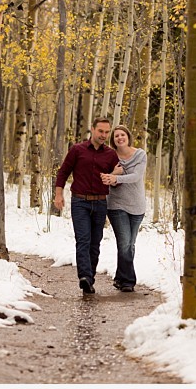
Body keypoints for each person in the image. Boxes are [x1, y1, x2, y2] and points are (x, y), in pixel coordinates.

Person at [53, 117, 120, 295]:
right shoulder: (77, 149)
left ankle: (89, 279)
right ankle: (84, 276)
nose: (104, 135)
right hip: (80, 202)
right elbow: (63, 173)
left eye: (107, 132)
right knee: (83, 239)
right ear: (92, 129)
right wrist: (58, 195)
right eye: (101, 131)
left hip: (100, 203)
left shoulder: (111, 155)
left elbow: (118, 179)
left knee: (95, 242)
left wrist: (115, 175)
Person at [100, 124, 147, 292]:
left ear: (128, 136)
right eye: (116, 136)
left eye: (122, 135)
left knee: (130, 245)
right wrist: (113, 173)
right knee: (125, 242)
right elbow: (105, 176)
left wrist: (116, 178)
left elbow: (136, 177)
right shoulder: (109, 155)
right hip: (116, 204)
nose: (120, 138)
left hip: (137, 205)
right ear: (113, 140)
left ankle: (120, 277)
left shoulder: (140, 154)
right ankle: (128, 281)